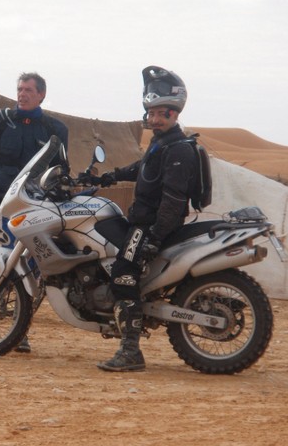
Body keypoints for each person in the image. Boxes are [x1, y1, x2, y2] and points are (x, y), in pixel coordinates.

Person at [82, 65, 197, 372]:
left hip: (150, 225)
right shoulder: (162, 143)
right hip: (144, 222)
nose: (155, 119)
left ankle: (130, 350)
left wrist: (154, 237)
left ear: (175, 113)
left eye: (163, 114)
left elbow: (173, 200)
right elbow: (141, 168)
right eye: (151, 113)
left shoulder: (178, 149)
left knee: (123, 272)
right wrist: (108, 177)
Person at [0, 72, 69, 353]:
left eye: (28, 90)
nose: (22, 94)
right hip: (2, 205)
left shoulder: (55, 129)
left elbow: (61, 171)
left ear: (41, 95)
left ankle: (19, 330)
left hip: (36, 208)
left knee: (31, 269)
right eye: (20, 89)